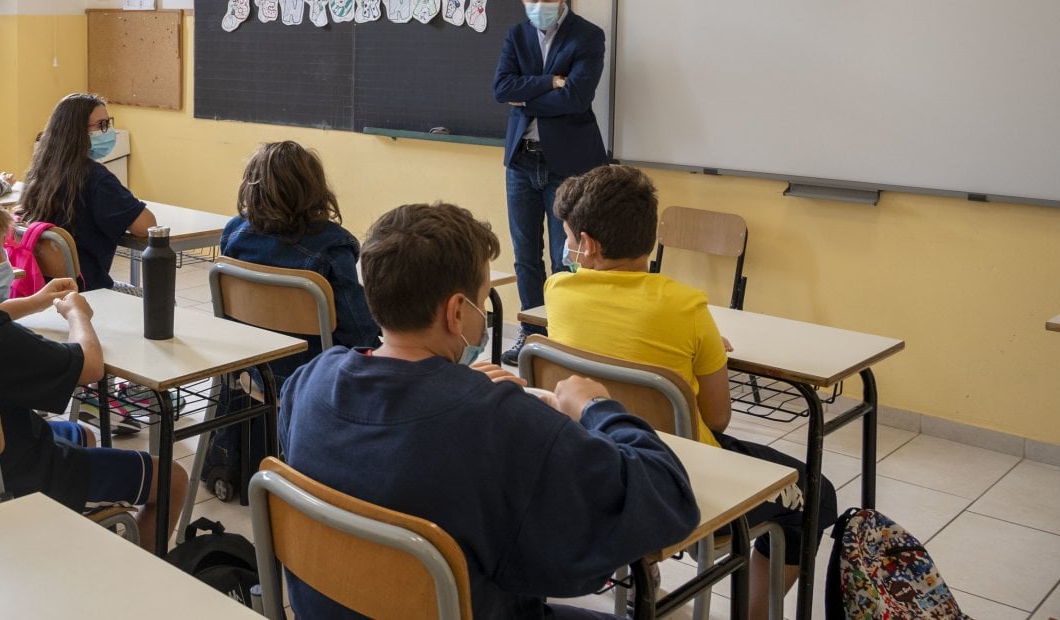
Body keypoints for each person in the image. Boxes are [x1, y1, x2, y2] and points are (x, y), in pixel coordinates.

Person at [278, 202, 698, 620]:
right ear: (457, 312)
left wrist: (460, 388)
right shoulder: (501, 421)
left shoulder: (309, 381)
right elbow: (668, 499)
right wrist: (596, 407)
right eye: (481, 301)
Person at [545, 164, 838, 618]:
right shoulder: (686, 306)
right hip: (678, 479)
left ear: (588, 245)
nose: (565, 247)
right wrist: (702, 353)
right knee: (818, 493)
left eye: (568, 236)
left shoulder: (558, 291)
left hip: (591, 469)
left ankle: (635, 567)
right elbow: (717, 419)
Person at [0, 188, 186, 550]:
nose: (3, 264)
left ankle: (66, 546)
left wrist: (31, 303)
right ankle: (141, 583)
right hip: (16, 485)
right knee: (171, 478)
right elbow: (90, 366)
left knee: (83, 435)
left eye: (1, 250)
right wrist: (77, 313)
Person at [491, 0, 608, 365]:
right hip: (522, 161)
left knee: (568, 256)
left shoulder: (588, 36)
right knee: (525, 254)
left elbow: (577, 98)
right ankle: (531, 333)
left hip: (569, 165)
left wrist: (527, 94)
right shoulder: (517, 34)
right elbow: (500, 87)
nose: (541, 3)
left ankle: (566, 334)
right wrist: (551, 81)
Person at [219, 140, 379, 378]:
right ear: (315, 188)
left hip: (250, 371)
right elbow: (358, 332)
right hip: (313, 379)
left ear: (251, 188)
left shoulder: (234, 234)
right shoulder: (332, 247)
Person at [18, 93, 155, 291]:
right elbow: (146, 226)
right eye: (101, 125)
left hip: (45, 290)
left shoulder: (40, 171)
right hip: (89, 291)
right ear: (77, 132)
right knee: (163, 301)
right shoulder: (95, 178)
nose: (107, 132)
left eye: (107, 124)